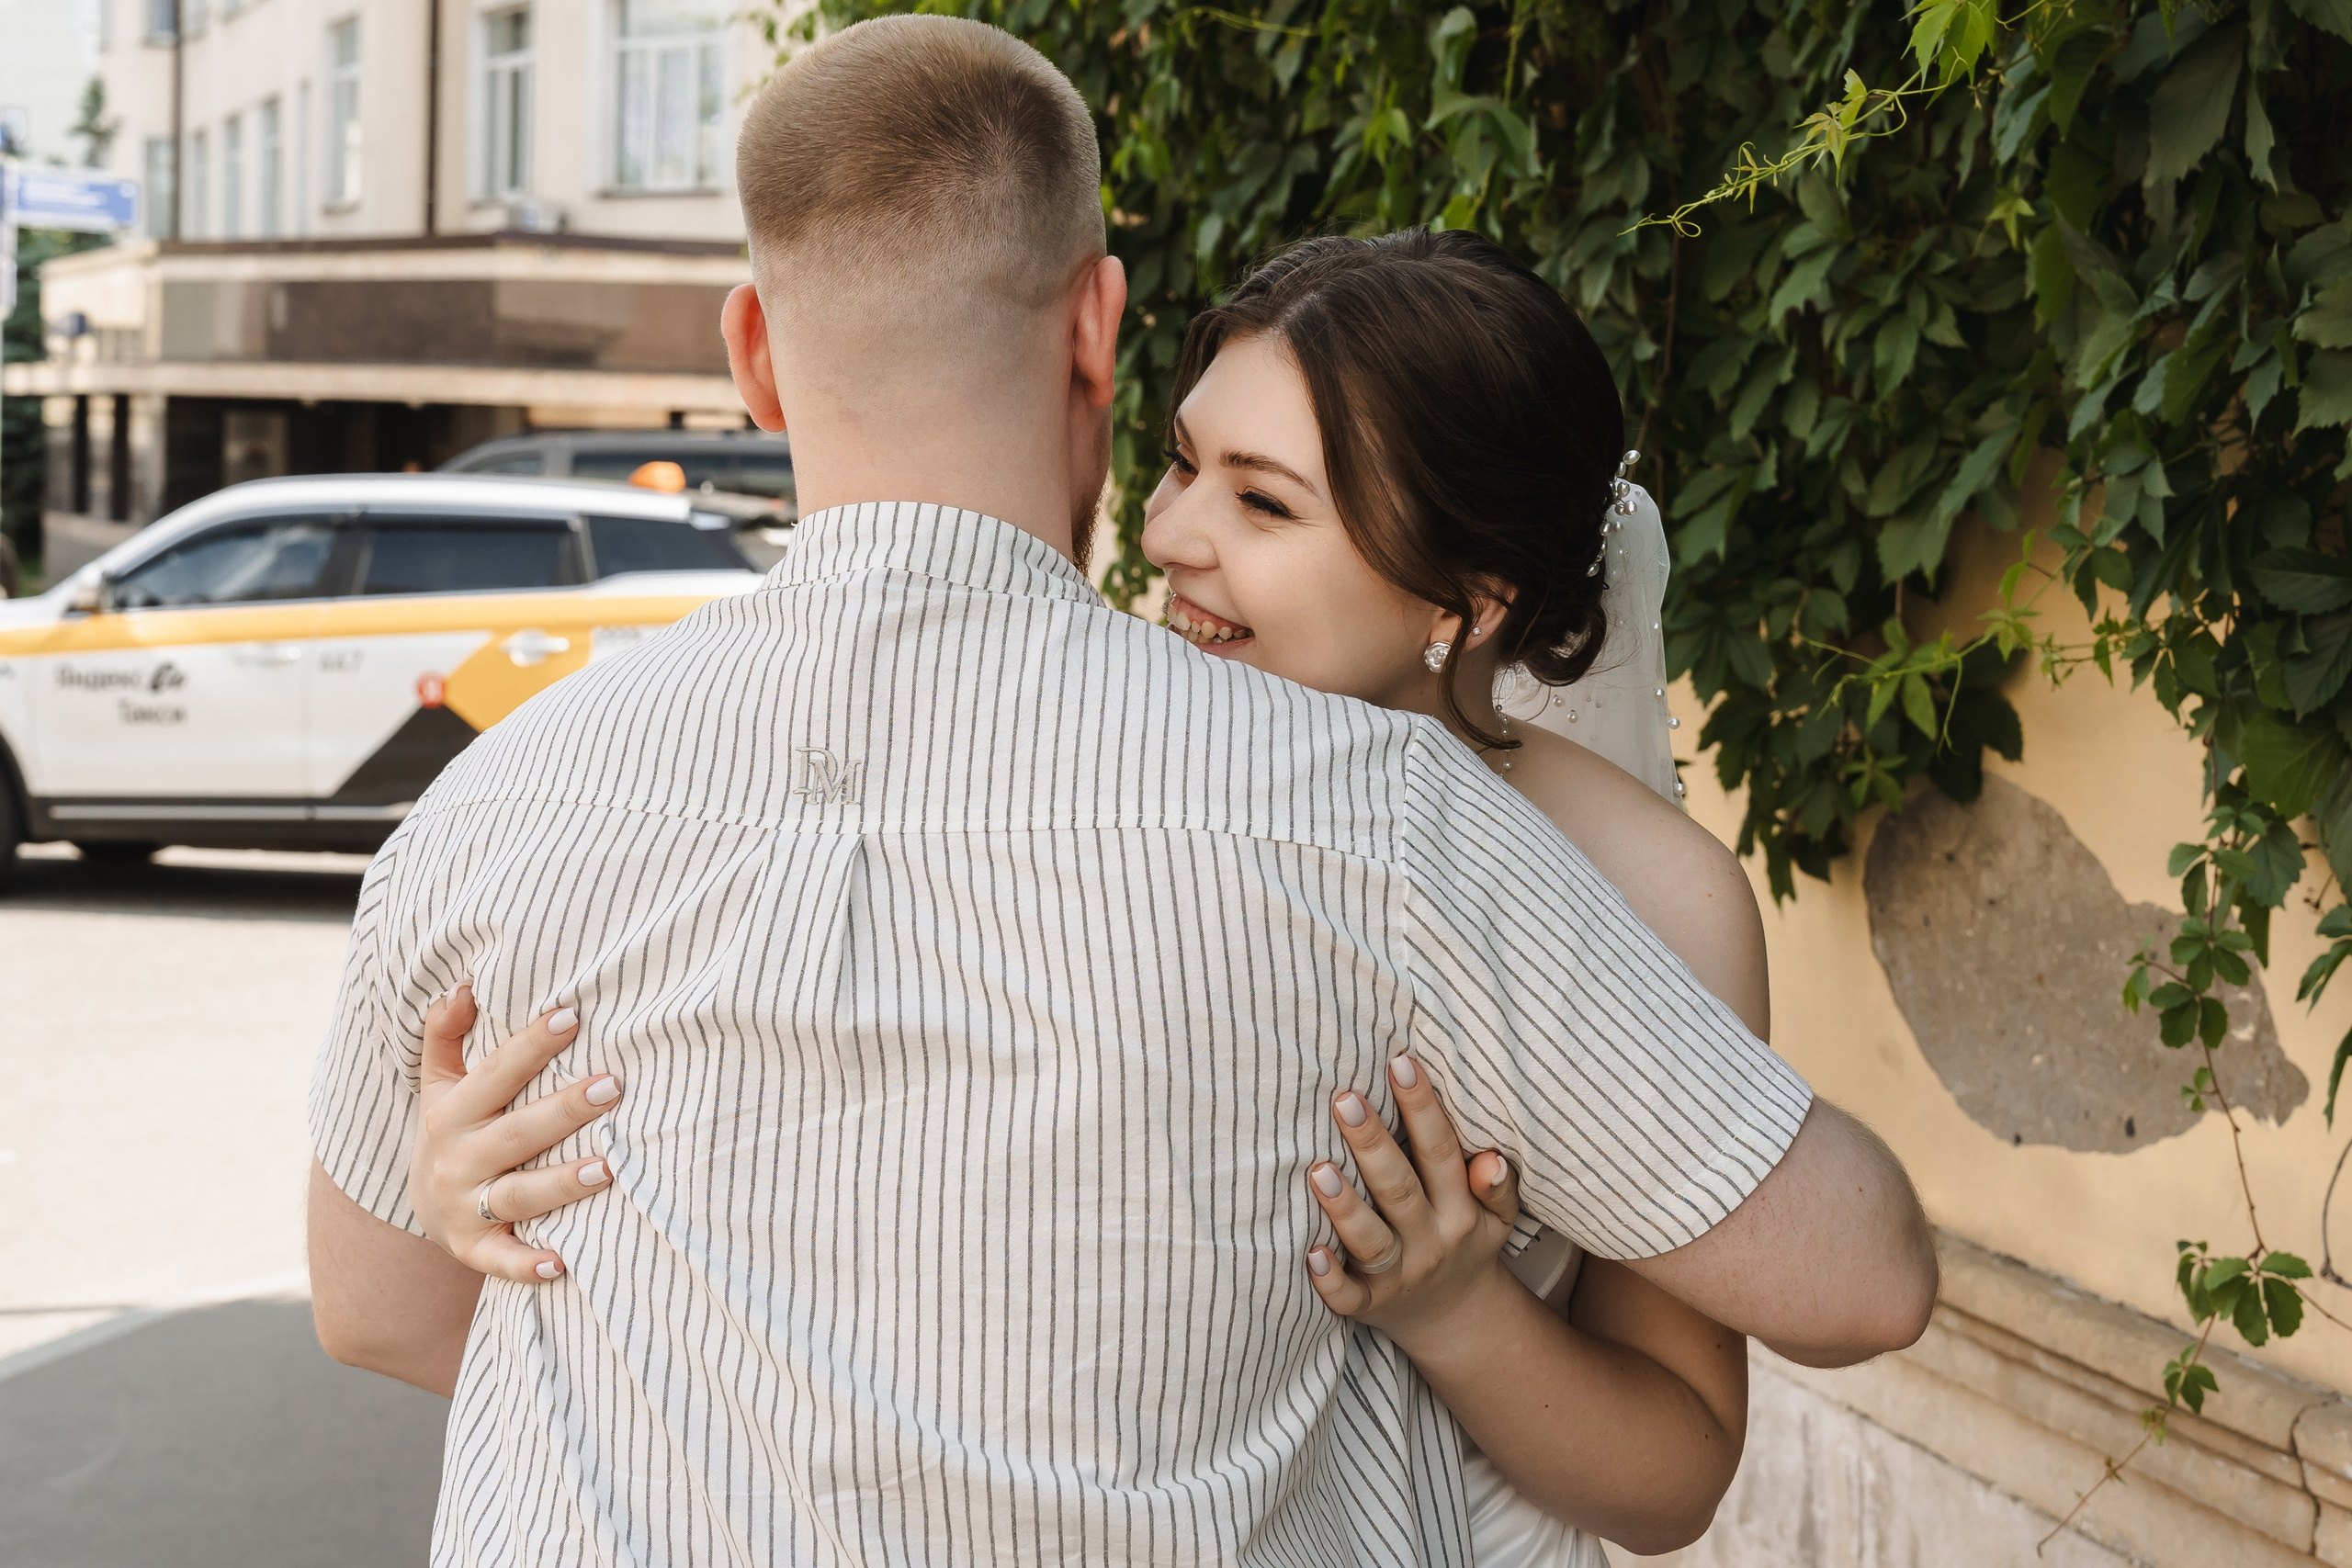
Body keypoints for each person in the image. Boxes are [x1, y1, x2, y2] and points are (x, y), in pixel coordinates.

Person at [308, 17, 1937, 1566]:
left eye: (1270, 502)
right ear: (1097, 332)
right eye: (1183, 464)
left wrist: (1459, 1314)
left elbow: (372, 1314)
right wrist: (468, 1210)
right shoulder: (1345, 816)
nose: (1172, 539)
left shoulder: (493, 800)